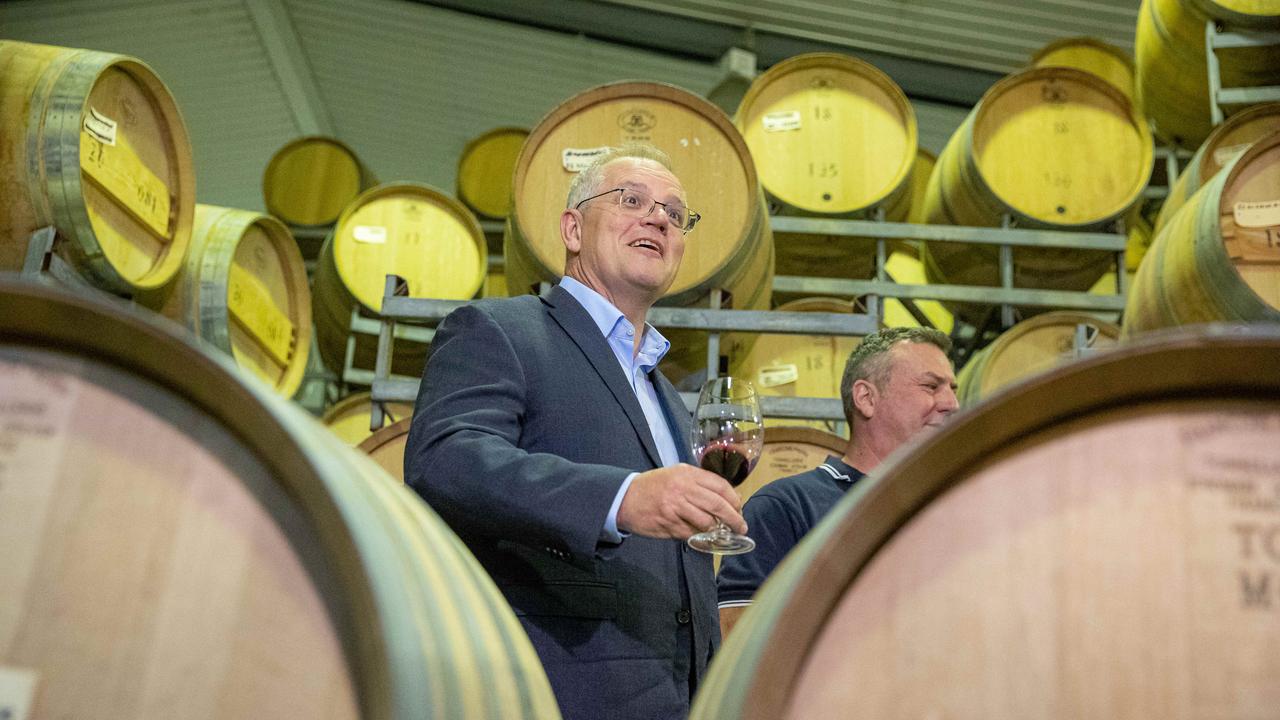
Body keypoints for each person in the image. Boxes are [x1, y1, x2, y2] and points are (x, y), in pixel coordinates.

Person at [405, 143, 746, 720]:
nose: (657, 218)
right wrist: (619, 498)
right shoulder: (501, 330)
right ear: (572, 228)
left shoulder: (666, 395)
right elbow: (445, 460)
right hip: (556, 690)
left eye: (674, 213)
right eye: (631, 200)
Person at [716, 326, 958, 636]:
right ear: (866, 398)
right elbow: (737, 639)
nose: (952, 403)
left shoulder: (949, 509)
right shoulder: (786, 507)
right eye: (931, 386)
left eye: (953, 388)